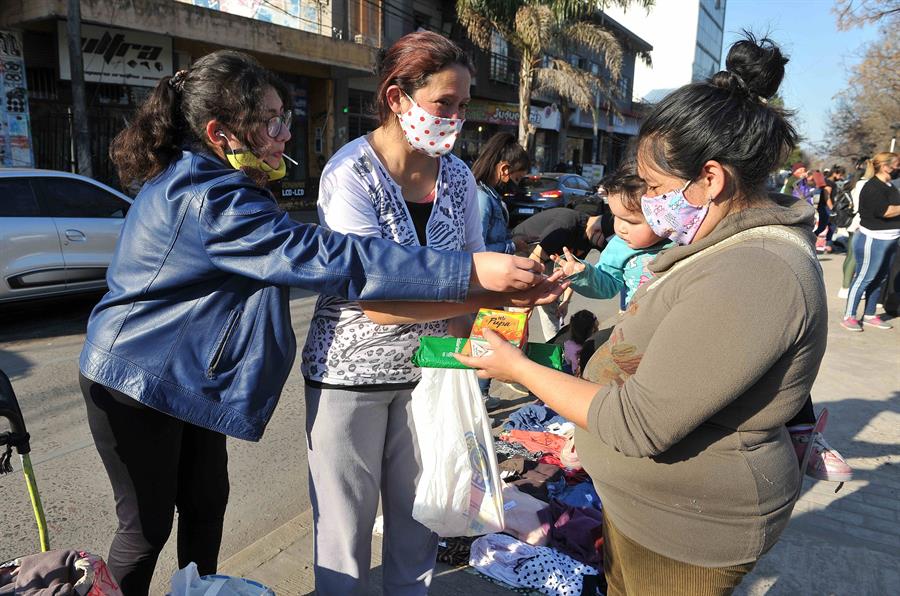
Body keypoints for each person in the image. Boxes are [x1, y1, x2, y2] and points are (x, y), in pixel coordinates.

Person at [78, 50, 549, 595]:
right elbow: (335, 259)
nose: (285, 134)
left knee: (206, 508)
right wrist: (469, 270)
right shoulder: (211, 196)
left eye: (286, 117)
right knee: (145, 528)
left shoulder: (230, 182)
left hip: (188, 376)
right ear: (221, 132)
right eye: (273, 122)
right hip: (135, 379)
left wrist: (486, 294)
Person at [458, 34, 829, 595]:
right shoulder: (725, 248)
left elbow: (636, 423)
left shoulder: (755, 272)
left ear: (710, 178)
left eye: (656, 189)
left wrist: (520, 370)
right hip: (656, 512)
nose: (649, 205)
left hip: (691, 529)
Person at [298, 32, 563, 596]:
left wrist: (472, 349)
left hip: (429, 375)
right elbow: (376, 303)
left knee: (422, 516)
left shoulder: (460, 179)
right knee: (343, 532)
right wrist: (490, 294)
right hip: (350, 375)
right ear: (397, 98)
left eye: (463, 106)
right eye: (445, 103)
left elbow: (470, 269)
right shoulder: (350, 174)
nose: (455, 118)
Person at [470, 132, 536, 407]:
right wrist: (512, 245)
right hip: (483, 282)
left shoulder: (488, 194)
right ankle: (479, 397)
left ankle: (479, 395)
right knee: (489, 337)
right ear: (504, 169)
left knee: (490, 336)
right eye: (518, 177)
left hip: (491, 284)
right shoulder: (483, 199)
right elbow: (479, 247)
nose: (517, 184)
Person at [553, 169, 672, 305]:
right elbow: (607, 284)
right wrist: (583, 274)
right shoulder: (619, 246)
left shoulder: (683, 241)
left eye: (631, 221)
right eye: (616, 216)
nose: (620, 228)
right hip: (636, 321)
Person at [512, 207, 609, 339]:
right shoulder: (566, 225)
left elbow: (572, 273)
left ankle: (554, 347)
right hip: (524, 254)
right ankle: (514, 344)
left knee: (551, 306)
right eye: (601, 241)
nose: (600, 244)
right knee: (520, 310)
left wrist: (566, 302)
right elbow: (533, 261)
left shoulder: (588, 237)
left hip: (547, 258)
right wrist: (528, 300)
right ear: (598, 230)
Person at [841, 151, 900, 331]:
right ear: (885, 166)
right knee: (864, 278)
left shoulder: (889, 186)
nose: (898, 168)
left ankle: (869, 314)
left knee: (880, 279)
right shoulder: (872, 187)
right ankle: (849, 316)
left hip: (891, 240)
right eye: (897, 165)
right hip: (872, 240)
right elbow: (885, 211)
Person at [838, 162, 871, 298]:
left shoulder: (854, 184)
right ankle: (847, 287)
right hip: (860, 221)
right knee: (855, 257)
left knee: (850, 255)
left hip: (854, 221)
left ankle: (845, 287)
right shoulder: (864, 184)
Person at [813, 166, 844, 253]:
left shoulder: (828, 181)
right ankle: (812, 241)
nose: (841, 177)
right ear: (835, 173)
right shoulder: (829, 183)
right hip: (825, 207)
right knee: (823, 227)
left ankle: (828, 245)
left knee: (831, 227)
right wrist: (832, 209)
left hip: (824, 207)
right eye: (840, 175)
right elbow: (827, 197)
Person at [563, 309, 599, 376]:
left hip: (574, 374)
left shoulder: (568, 344)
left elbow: (568, 361)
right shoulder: (593, 347)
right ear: (593, 330)